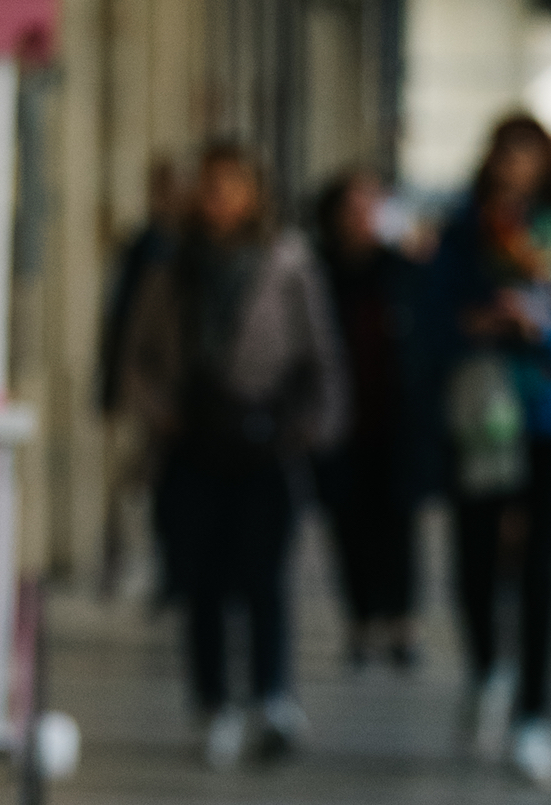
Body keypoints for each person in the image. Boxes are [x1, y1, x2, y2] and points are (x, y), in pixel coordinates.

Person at [126, 140, 345, 766]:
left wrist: (312, 424)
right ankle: (213, 702)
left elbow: (319, 351)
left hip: (266, 436)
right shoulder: (171, 265)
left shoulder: (286, 261)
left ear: (255, 194)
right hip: (193, 437)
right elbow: (138, 352)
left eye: (232, 185)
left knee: (264, 573)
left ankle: (272, 696)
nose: (219, 197)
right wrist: (157, 409)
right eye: (210, 184)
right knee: (202, 576)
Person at [432, 113, 551, 791]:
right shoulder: (464, 233)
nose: (516, 170)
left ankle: (535, 717)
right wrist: (478, 325)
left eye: (529, 156)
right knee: (476, 558)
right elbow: (431, 322)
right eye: (504, 156)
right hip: (484, 412)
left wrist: (547, 331)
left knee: (542, 567)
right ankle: (489, 669)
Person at [313, 166, 427, 667]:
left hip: (396, 416)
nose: (362, 217)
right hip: (339, 419)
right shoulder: (319, 272)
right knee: (349, 524)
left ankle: (401, 622)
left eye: (371, 206)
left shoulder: (401, 269)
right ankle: (359, 620)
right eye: (353, 207)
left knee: (399, 524)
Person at [96, 155, 180, 601]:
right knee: (138, 486)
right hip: (151, 397)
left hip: (191, 401)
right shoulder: (145, 249)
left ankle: (168, 570)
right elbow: (122, 328)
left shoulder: (188, 252)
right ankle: (138, 567)